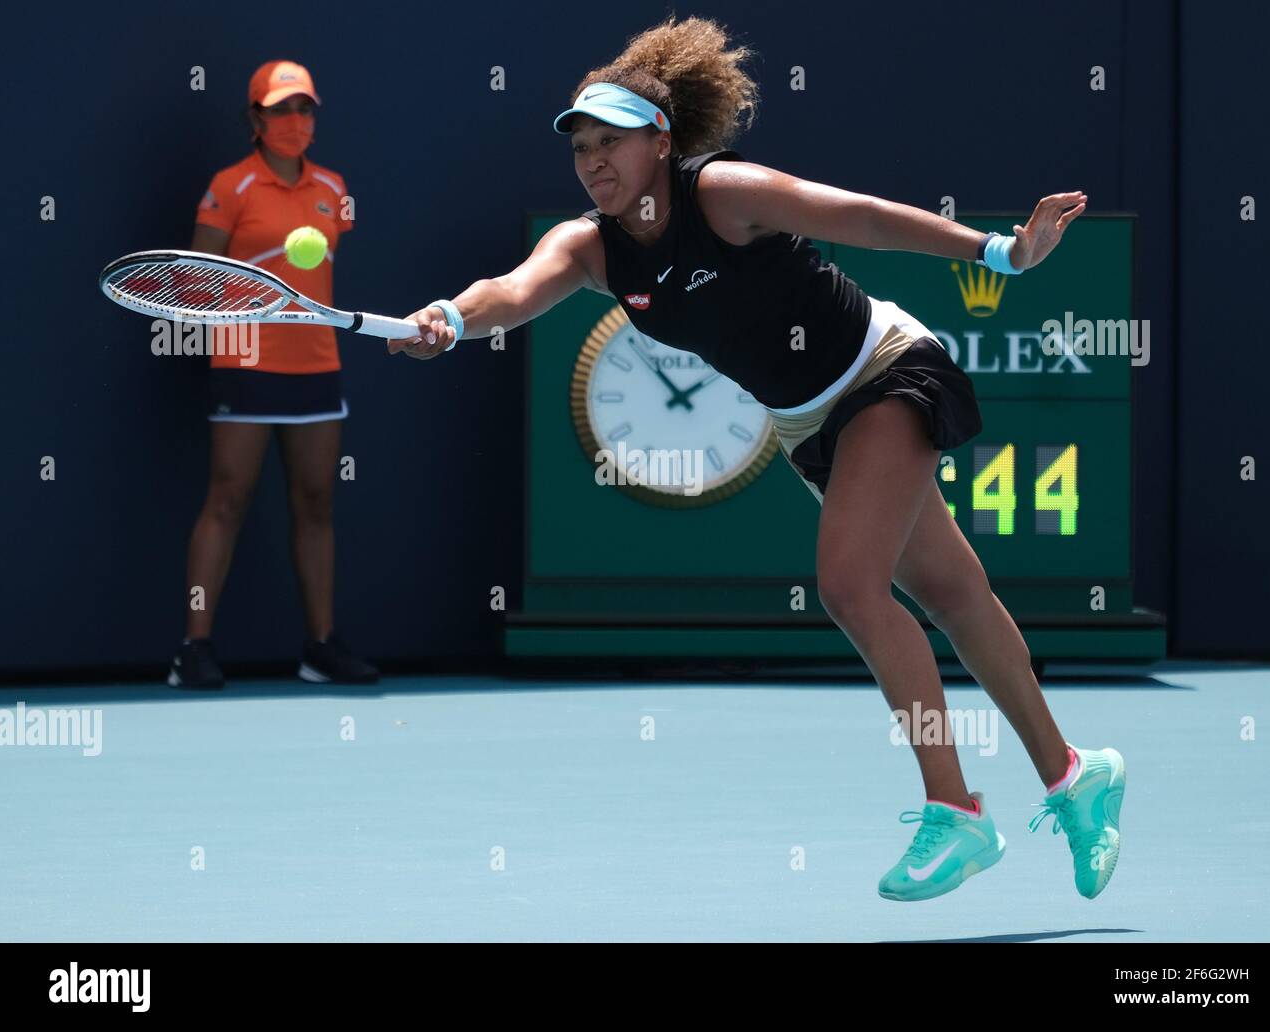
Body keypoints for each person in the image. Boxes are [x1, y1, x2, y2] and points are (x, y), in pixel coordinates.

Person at [389, 17, 1124, 902]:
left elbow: (860, 219)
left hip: (884, 370)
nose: (592, 162)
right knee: (955, 595)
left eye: (610, 141)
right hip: (806, 425)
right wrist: (451, 318)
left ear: (661, 140)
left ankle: (956, 809)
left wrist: (998, 252)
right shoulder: (590, 247)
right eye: (580, 147)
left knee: (852, 587)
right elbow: (511, 290)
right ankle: (1075, 776)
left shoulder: (726, 193)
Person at [169, 60, 378, 690]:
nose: (294, 121)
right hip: (244, 360)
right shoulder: (228, 187)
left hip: (316, 362)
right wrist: (242, 281)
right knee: (227, 499)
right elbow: (194, 278)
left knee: (316, 503)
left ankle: (320, 647)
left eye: (304, 109)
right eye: (281, 109)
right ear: (257, 118)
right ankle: (194, 649)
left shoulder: (336, 190)